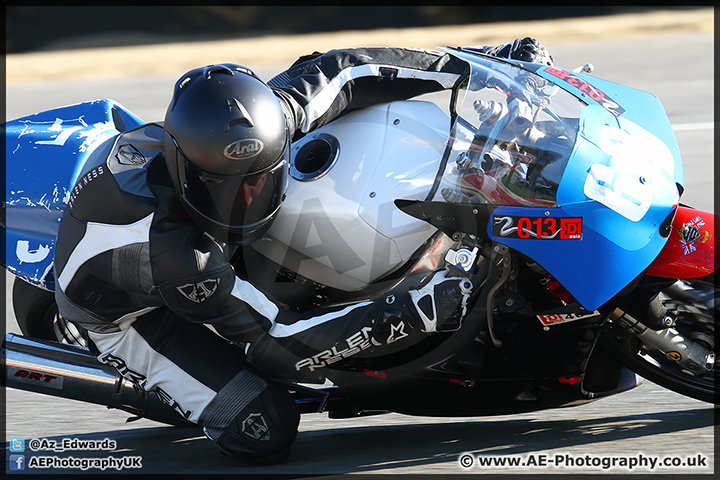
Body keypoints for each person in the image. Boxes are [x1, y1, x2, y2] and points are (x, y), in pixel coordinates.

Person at [52, 38, 553, 464]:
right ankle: (170, 380)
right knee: (264, 428)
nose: (245, 199)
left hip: (180, 237)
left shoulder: (266, 118)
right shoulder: (178, 255)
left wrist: (482, 64)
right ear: (185, 169)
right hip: (136, 314)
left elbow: (348, 69)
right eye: (224, 187)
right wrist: (409, 310)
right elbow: (278, 342)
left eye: (260, 179)